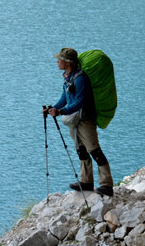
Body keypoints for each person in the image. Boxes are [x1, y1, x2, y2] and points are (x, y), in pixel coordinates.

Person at [43, 47, 114, 197]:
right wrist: (52, 108)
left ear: (67, 62)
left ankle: (106, 185)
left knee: (95, 151)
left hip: (85, 120)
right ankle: (86, 181)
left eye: (59, 59)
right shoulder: (68, 77)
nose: (57, 62)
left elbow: (80, 102)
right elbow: (65, 98)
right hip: (74, 119)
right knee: (81, 150)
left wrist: (61, 112)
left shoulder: (81, 78)